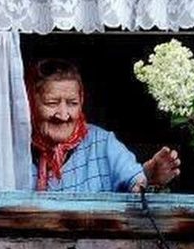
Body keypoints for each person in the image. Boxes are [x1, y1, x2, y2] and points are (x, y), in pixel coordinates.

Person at [26, 59, 180, 193]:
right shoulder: (15, 147)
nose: (63, 115)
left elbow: (135, 180)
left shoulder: (102, 142)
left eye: (72, 103)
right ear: (31, 103)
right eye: (52, 103)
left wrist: (150, 176)